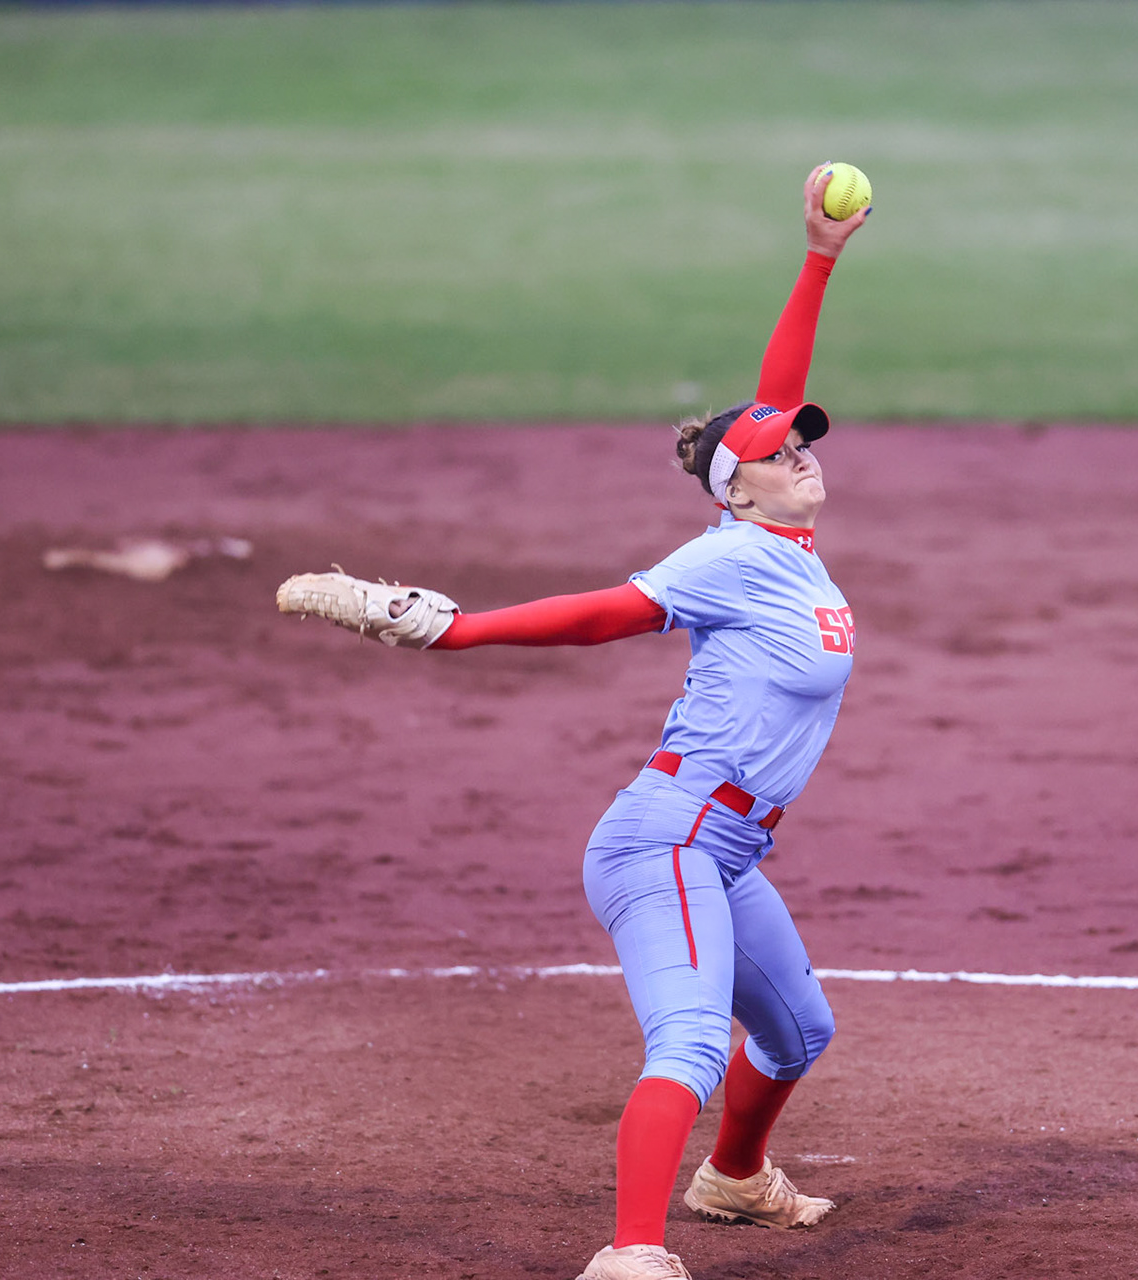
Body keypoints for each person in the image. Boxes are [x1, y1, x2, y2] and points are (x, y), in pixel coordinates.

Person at [274, 165, 871, 1280]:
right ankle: (631, 1252)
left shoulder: (777, 541)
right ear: (741, 488)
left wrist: (820, 257)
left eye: (808, 441)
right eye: (786, 451)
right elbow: (610, 613)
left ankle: (733, 1178)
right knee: (691, 1042)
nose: (807, 452)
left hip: (727, 847)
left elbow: (767, 403)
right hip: (672, 838)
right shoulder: (731, 553)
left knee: (799, 1033)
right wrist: (460, 632)